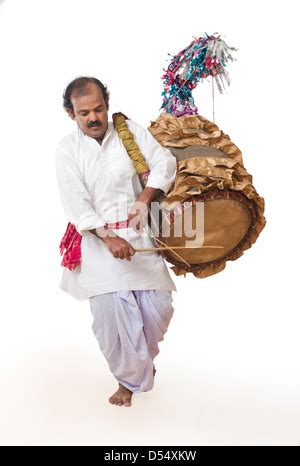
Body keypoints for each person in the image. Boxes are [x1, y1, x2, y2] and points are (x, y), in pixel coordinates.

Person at [55, 76, 177, 407]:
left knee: (159, 308)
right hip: (99, 244)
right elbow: (77, 203)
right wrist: (108, 238)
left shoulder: (129, 132)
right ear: (72, 114)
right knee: (113, 319)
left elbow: (164, 161)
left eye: (98, 109)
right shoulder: (68, 150)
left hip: (140, 236)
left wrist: (148, 196)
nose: (93, 118)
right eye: (84, 113)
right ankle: (127, 381)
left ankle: (141, 366)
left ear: (107, 105)